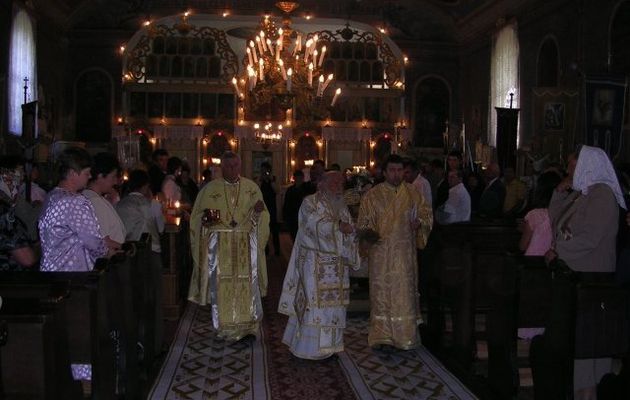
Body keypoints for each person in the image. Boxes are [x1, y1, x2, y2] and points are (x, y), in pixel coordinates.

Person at [532, 146, 626, 400]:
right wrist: (560, 193)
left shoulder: (603, 195)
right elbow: (557, 222)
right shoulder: (582, 194)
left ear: (589, 165)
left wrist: (559, 251)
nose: (568, 171)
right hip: (574, 279)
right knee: (573, 351)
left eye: (573, 166)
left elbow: (590, 239)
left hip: (592, 283)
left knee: (589, 355)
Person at [188, 151, 270, 342]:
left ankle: (249, 327)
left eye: (236, 166)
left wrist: (259, 212)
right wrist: (207, 220)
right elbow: (197, 218)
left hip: (245, 246)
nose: (233, 169)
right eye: (229, 166)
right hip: (220, 247)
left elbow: (263, 217)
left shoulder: (252, 188)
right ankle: (225, 327)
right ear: (221, 167)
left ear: (240, 166)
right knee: (222, 286)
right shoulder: (209, 190)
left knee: (247, 284)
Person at [278, 171, 360, 359]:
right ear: (320, 184)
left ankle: (330, 347)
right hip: (314, 265)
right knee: (315, 306)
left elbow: (348, 230)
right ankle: (309, 350)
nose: (338, 186)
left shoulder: (341, 206)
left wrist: (353, 235)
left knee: (334, 307)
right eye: (334, 182)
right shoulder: (310, 203)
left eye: (341, 183)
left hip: (336, 267)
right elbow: (312, 226)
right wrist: (338, 227)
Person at [358, 154, 433, 350]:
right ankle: (382, 336)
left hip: (404, 256)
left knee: (403, 294)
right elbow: (364, 223)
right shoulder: (372, 195)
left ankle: (405, 336)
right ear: (384, 172)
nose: (396, 174)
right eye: (392, 170)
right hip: (381, 255)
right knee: (382, 295)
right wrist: (369, 236)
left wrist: (421, 223)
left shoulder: (413, 193)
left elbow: (426, 214)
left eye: (400, 170)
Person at [39, 147, 119, 272]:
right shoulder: (74, 202)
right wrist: (111, 253)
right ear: (72, 173)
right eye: (86, 173)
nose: (90, 176)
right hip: (73, 273)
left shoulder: (52, 196)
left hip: (51, 269)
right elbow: (92, 241)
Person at [82, 152, 126, 247]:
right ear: (100, 176)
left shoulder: (93, 197)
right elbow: (103, 240)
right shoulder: (94, 201)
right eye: (113, 176)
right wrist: (124, 248)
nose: (115, 181)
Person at [0, 156, 36, 270]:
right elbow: (27, 259)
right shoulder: (4, 213)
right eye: (19, 173)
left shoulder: (9, 206)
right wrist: (39, 248)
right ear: (6, 177)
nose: (22, 177)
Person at [519, 171, 561, 256]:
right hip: (555, 259)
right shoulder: (564, 212)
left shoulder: (534, 215)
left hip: (534, 261)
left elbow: (523, 246)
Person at [259, 161, 280, 256]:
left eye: (265, 170)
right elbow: (256, 191)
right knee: (264, 230)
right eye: (262, 170)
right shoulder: (260, 180)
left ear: (269, 170)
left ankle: (277, 251)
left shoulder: (273, 179)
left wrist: (271, 181)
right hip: (263, 208)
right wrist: (261, 180)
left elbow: (277, 191)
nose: (264, 172)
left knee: (274, 231)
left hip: (272, 208)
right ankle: (265, 250)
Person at [282, 170, 306, 241]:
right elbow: (286, 204)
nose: (298, 180)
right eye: (297, 178)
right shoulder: (290, 190)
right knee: (294, 237)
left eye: (300, 178)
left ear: (302, 178)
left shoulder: (306, 188)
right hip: (293, 218)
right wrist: (285, 218)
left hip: (303, 217)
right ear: (294, 178)